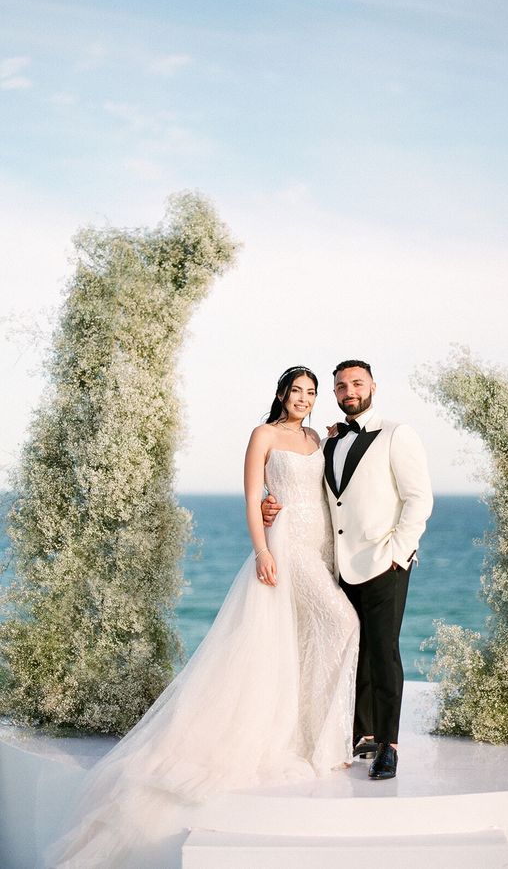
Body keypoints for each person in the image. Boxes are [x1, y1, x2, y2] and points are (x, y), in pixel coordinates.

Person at [44, 366, 359, 869]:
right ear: (281, 393)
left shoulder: (319, 436)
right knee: (344, 623)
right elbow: (255, 498)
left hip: (320, 545)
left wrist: (335, 438)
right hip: (286, 546)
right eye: (296, 391)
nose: (304, 398)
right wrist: (261, 549)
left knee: (300, 640)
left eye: (312, 393)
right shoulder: (264, 434)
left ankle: (313, 733)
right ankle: (324, 742)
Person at [263, 359, 433, 780]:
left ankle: (389, 746)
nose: (348, 391)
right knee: (353, 645)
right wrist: (271, 504)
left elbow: (419, 499)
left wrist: (398, 552)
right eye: (340, 386)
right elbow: (309, 489)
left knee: (384, 651)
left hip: (384, 561)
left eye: (356, 383)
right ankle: (361, 733)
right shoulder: (330, 440)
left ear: (373, 385)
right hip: (336, 561)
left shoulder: (397, 434)